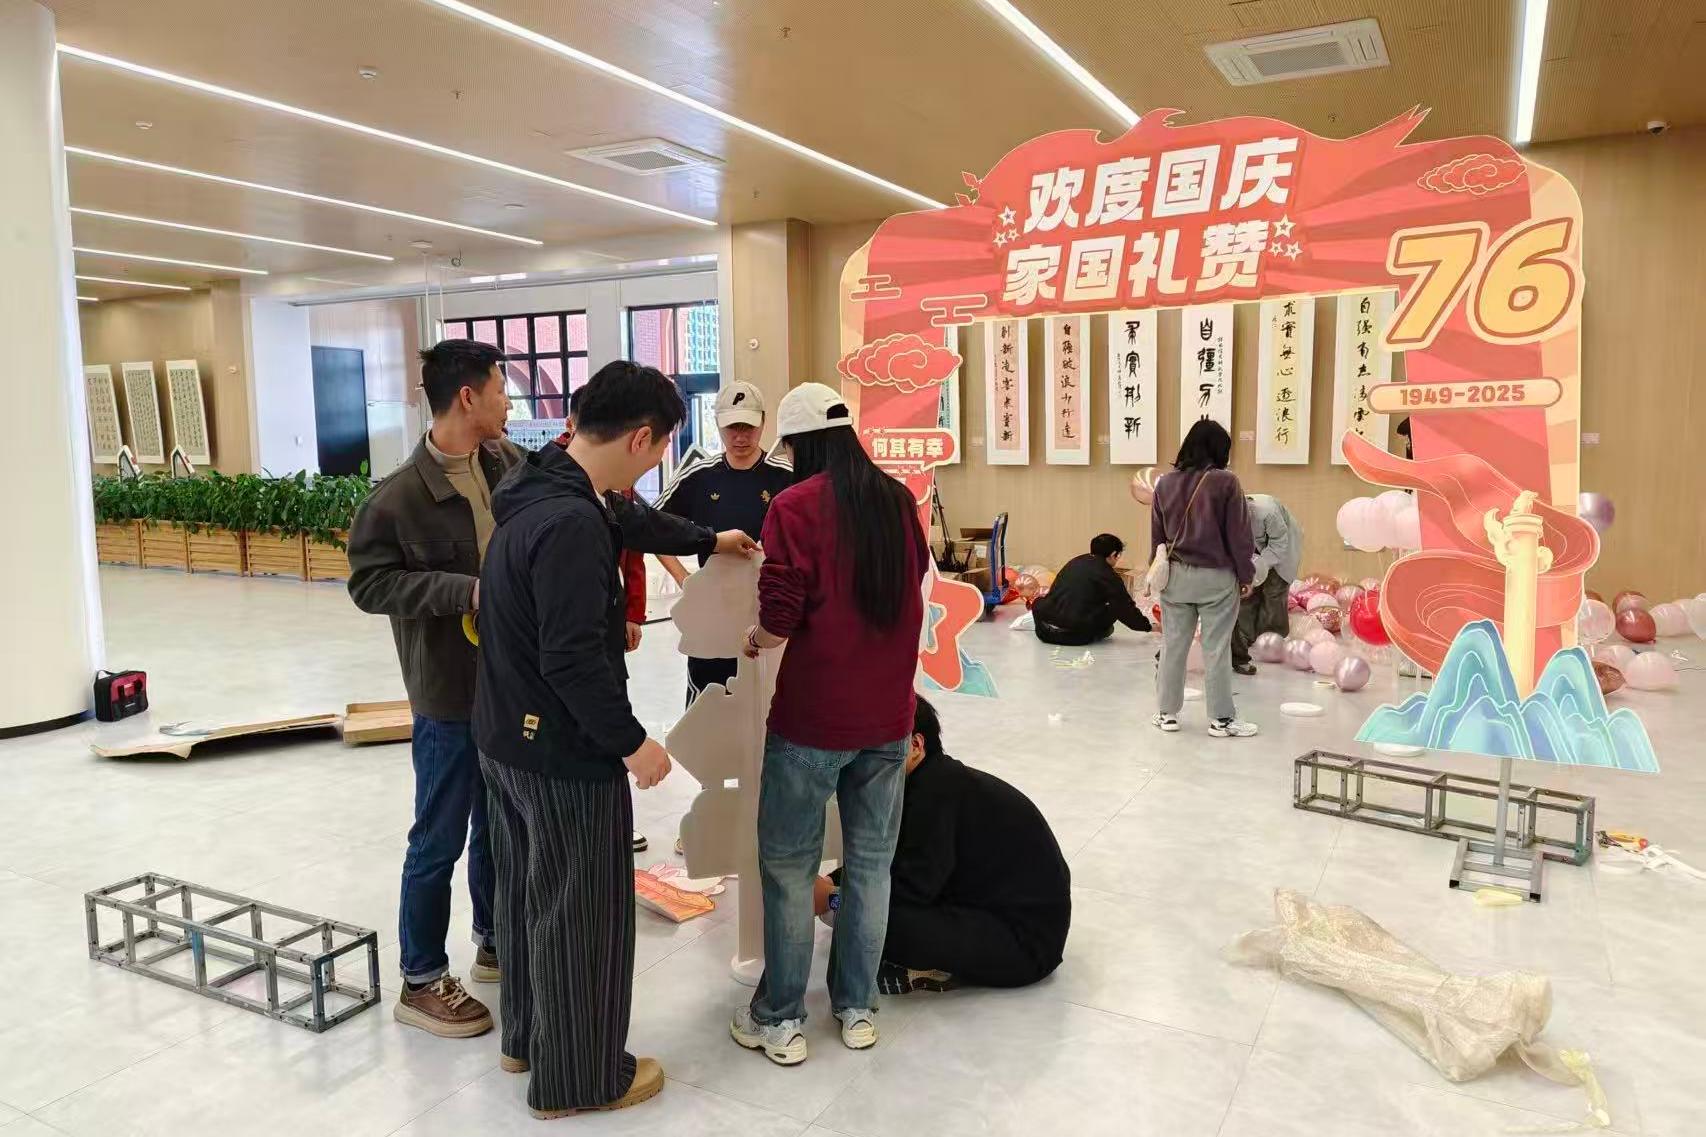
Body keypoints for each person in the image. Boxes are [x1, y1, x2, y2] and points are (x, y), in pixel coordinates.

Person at [474, 361, 757, 1117]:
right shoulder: (572, 524)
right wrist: (633, 743)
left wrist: (710, 538)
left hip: (503, 738)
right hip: (564, 751)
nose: (656, 462)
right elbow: (570, 658)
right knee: (583, 913)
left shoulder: (542, 483)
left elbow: (633, 519)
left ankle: (528, 1040)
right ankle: (579, 1077)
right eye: (660, 447)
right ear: (640, 438)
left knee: (531, 896)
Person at [729, 382, 930, 1068]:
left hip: (813, 720)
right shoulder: (897, 500)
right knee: (871, 866)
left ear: (803, 444)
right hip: (889, 718)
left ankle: (780, 1018)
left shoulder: (794, 506)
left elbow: (780, 614)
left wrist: (754, 639)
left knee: (790, 868)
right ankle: (857, 1008)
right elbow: (914, 584)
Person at [347, 339, 519, 1038]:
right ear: (468, 397)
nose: (509, 402)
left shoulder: (507, 465)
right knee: (438, 836)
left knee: (497, 824)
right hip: (448, 694)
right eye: (501, 389)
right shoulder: (398, 498)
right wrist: (463, 591)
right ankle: (420, 977)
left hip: (507, 684)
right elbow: (369, 585)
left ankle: (493, 937)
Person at [814, 697, 1070, 993]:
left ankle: (922, 966)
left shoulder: (934, 796)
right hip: (1005, 918)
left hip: (1025, 946)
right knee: (864, 911)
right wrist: (831, 881)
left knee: (877, 921)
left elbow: (912, 889)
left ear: (915, 745)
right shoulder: (933, 782)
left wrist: (833, 898)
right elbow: (890, 863)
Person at [556, 385, 652, 855]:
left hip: (606, 628)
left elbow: (636, 539)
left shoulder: (605, 486)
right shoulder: (568, 510)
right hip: (553, 719)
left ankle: (612, 823)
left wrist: (633, 610)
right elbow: (571, 657)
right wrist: (634, 745)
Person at [655, 380, 793, 705]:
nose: (740, 436)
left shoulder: (786, 476)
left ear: (763, 423)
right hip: (714, 611)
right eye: (732, 427)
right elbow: (653, 526)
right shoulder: (698, 476)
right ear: (717, 423)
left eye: (748, 427)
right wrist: (684, 579)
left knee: (768, 699)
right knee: (707, 699)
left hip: (768, 609)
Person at [1148, 419, 1259, 738]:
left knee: (1173, 646)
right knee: (1217, 650)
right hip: (1217, 579)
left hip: (1176, 577)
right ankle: (1221, 720)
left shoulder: (1164, 484)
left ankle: (1167, 714)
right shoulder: (1227, 482)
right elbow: (1239, 536)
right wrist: (1246, 574)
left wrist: (1154, 572)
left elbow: (1157, 537)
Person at [1031, 533, 1152, 645]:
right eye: (1118, 556)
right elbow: (1124, 607)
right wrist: (1148, 626)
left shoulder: (1075, 561)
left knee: (1047, 601)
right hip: (1075, 636)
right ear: (1113, 554)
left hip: (1044, 631)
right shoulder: (1107, 574)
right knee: (1113, 608)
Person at [1231, 494, 1302, 675]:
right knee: (1246, 593)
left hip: (1282, 546)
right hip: (1252, 549)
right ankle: (1245, 636)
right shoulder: (1228, 515)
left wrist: (1260, 566)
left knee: (1274, 590)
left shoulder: (1267, 512)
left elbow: (1279, 544)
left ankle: (1273, 638)